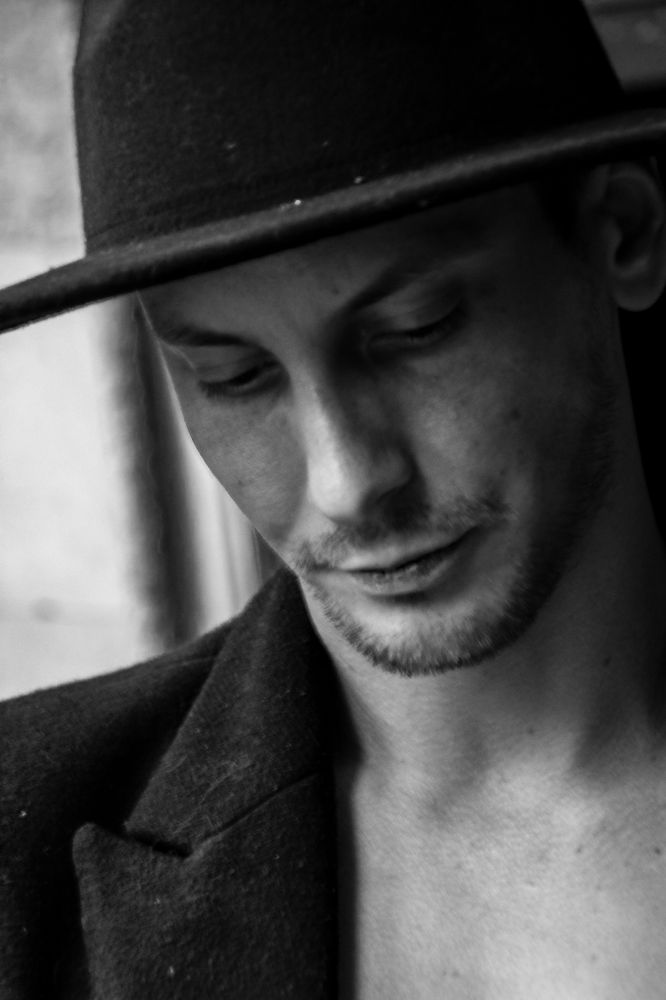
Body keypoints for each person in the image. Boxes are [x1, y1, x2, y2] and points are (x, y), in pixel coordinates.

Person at [1, 0, 666, 996]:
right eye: (234, 378)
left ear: (623, 232)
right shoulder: (22, 848)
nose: (347, 482)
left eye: (415, 329)